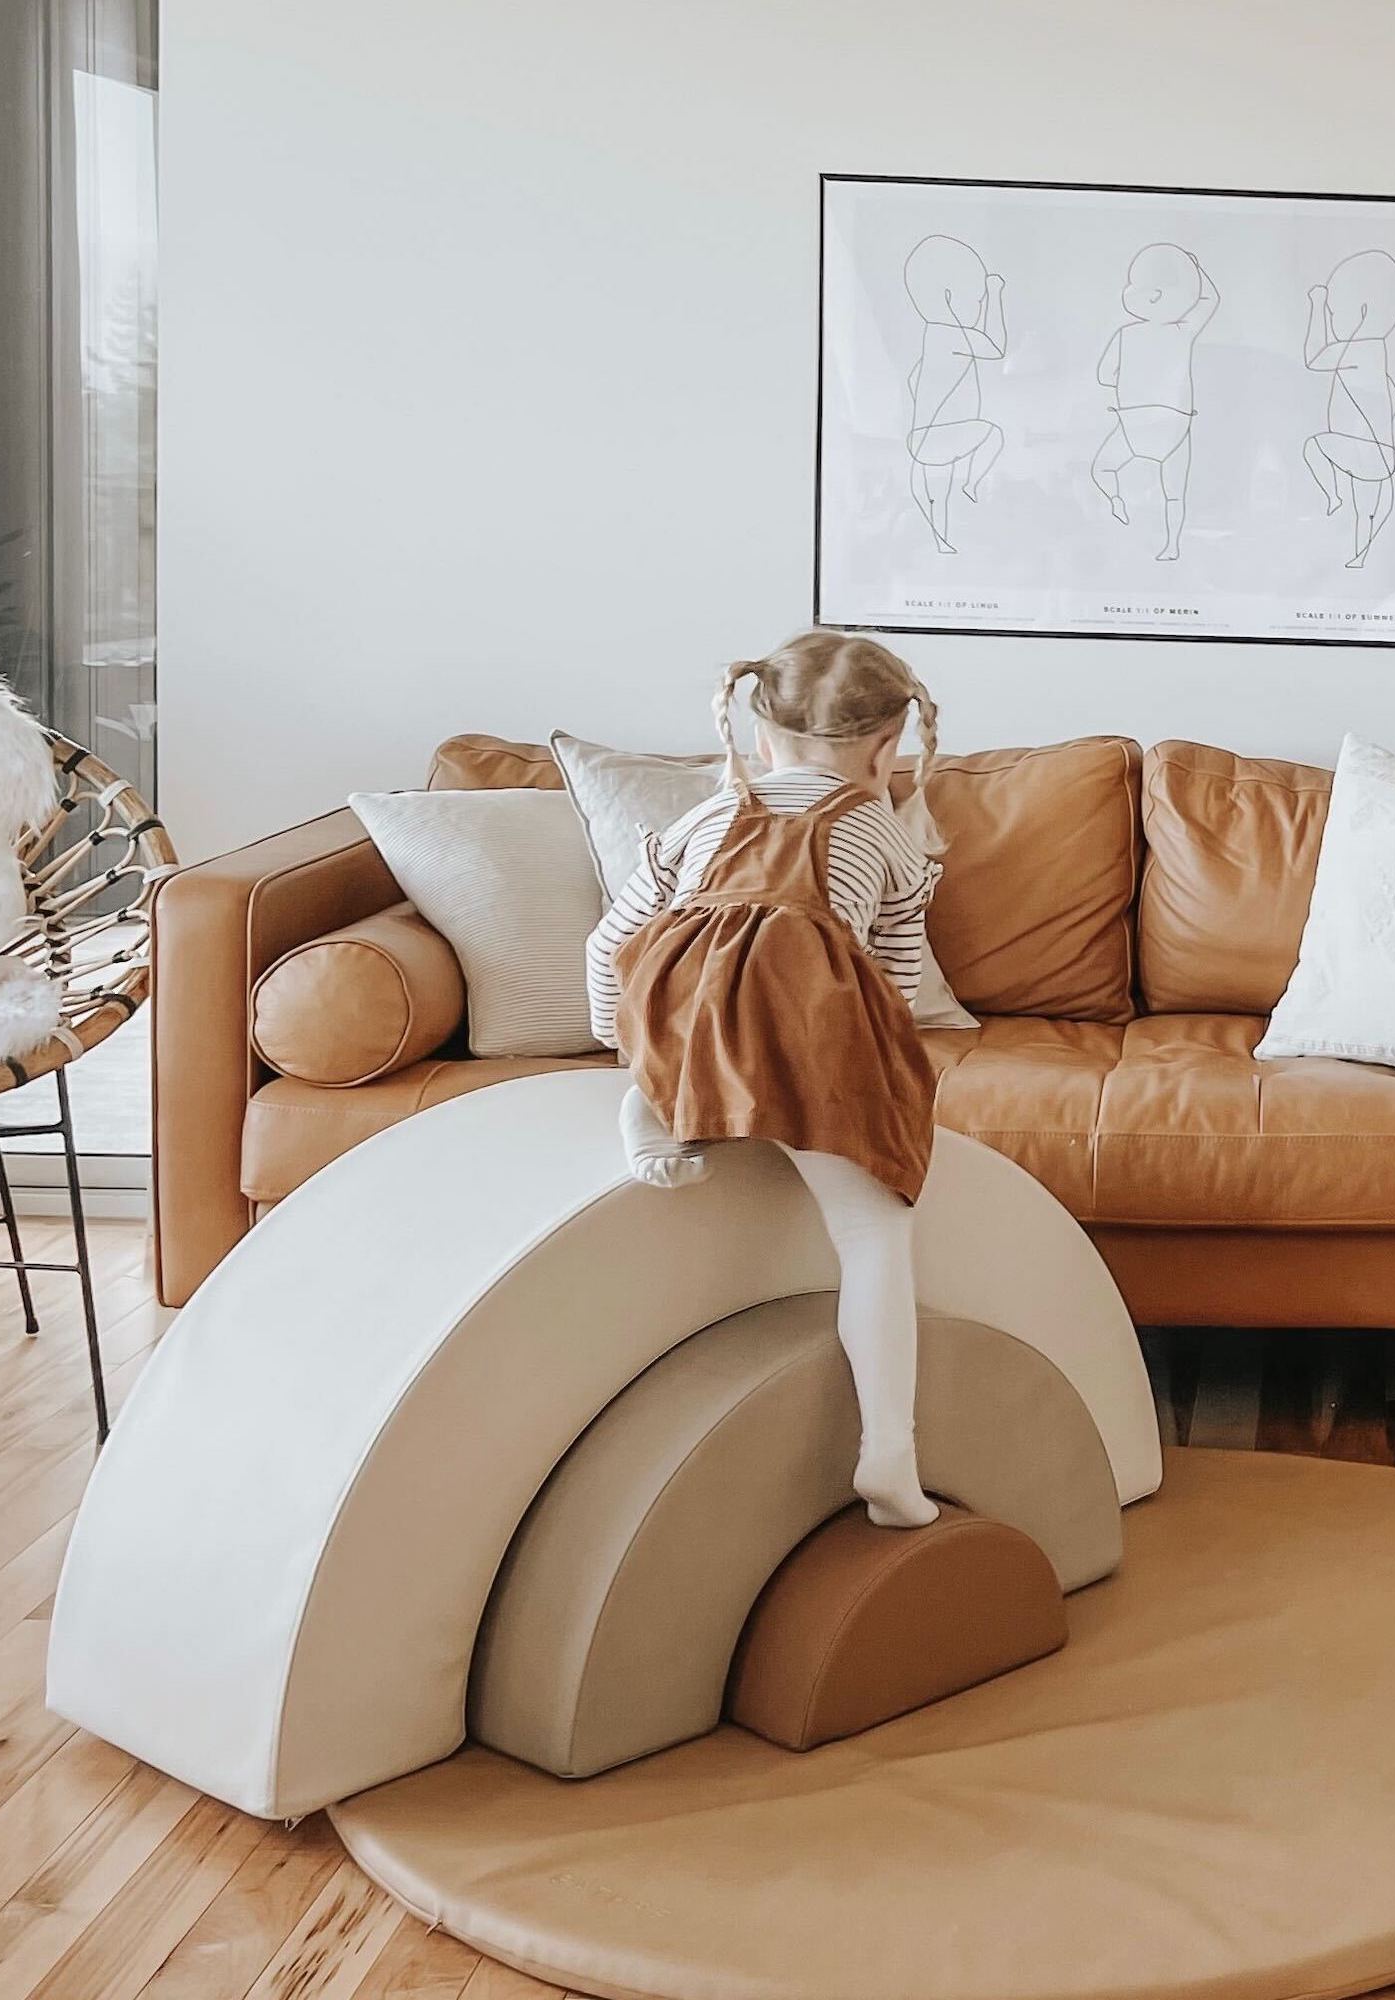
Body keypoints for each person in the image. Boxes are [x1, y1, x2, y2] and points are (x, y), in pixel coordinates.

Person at [586, 631, 945, 1528]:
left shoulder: (700, 820)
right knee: (872, 1235)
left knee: (680, 1040)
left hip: (686, 1029)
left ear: (758, 735)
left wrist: (622, 1038)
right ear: (885, 746)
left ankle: (657, 1102)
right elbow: (893, 993)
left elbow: (610, 945)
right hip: (816, 1043)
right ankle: (889, 1456)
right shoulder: (885, 836)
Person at [1090, 244, 1219, 562]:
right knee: (1174, 493)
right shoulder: (1184, 331)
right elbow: (1211, 300)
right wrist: (1195, 267)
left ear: (1147, 295)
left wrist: (1128, 383)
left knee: (1102, 469)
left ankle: (1117, 501)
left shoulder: (1126, 335)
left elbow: (1105, 375)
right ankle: (1172, 545)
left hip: (1135, 423)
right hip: (1174, 425)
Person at [1302, 249, 1395, 569]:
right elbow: (1394, 394)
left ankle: (1334, 495)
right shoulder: (1378, 353)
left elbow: (1314, 357)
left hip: (1361, 449)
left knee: (1314, 447)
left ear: (1362, 312)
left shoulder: (1359, 349)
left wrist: (1317, 306)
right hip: (1381, 454)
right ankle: (1359, 559)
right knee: (1366, 511)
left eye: (1335, 314)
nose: (1333, 322)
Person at [903, 234, 1007, 555]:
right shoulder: (949, 333)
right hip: (940, 436)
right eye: (976, 300)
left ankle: (942, 544)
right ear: (949, 297)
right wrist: (995, 295)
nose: (979, 308)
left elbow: (913, 378)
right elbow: (996, 347)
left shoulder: (931, 337)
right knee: (992, 435)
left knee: (937, 494)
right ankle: (971, 484)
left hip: (924, 437)